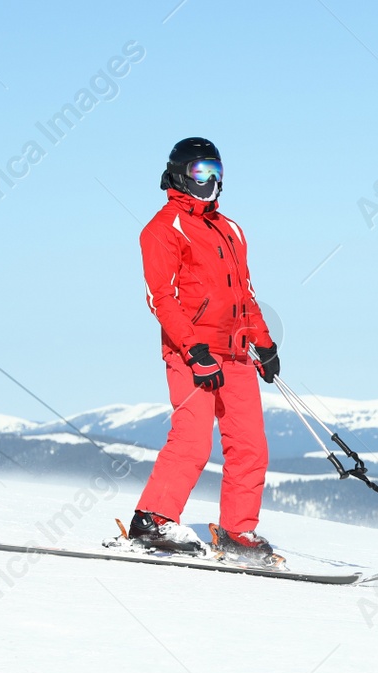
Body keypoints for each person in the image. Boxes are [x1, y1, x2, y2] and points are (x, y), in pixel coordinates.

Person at [128, 137, 280, 561]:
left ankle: (237, 532)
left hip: (234, 356)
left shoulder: (231, 230)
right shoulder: (162, 229)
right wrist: (195, 351)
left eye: (216, 171)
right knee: (193, 440)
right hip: (190, 355)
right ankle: (152, 520)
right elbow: (162, 298)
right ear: (179, 174)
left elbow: (244, 296)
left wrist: (263, 344)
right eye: (200, 172)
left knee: (250, 446)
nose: (210, 181)